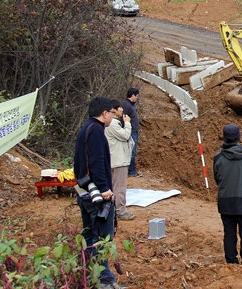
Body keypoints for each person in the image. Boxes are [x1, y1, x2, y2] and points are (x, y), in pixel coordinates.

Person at [73, 97, 120, 289]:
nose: (112, 117)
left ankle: (87, 275)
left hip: (84, 191)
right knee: (102, 238)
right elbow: (97, 162)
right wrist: (104, 189)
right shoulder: (97, 133)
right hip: (95, 195)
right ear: (104, 113)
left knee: (89, 234)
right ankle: (104, 280)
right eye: (111, 113)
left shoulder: (86, 129)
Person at [213, 124, 242, 266]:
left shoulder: (218, 158)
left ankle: (231, 262)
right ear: (239, 137)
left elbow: (217, 178)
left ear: (224, 137)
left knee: (229, 233)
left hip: (226, 202)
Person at [105, 99, 135, 221]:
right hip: (118, 160)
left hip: (113, 158)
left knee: (113, 186)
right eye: (119, 108)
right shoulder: (113, 124)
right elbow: (125, 135)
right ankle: (120, 211)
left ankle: (111, 209)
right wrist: (127, 123)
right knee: (119, 187)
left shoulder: (108, 123)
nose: (122, 110)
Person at [122, 88, 141, 177]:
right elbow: (124, 118)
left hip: (133, 131)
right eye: (136, 96)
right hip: (131, 131)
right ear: (132, 95)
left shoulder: (130, 105)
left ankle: (131, 170)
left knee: (133, 151)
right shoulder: (126, 105)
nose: (137, 98)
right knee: (132, 151)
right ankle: (131, 171)